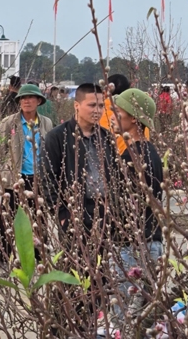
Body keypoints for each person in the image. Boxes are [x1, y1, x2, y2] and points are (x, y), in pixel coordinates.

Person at [40, 83, 122, 331]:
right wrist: (62, 214)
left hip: (103, 214)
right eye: (92, 105)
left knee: (100, 275)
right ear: (77, 105)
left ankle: (89, 325)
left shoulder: (106, 137)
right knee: (71, 272)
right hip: (75, 214)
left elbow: (115, 175)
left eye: (100, 105)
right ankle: (58, 326)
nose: (97, 110)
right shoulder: (58, 137)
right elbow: (47, 178)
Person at [107, 88, 163, 328]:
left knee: (126, 319)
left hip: (133, 244)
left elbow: (124, 203)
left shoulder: (136, 156)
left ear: (133, 118)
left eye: (117, 112)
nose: (111, 116)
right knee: (141, 317)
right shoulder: (146, 151)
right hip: (145, 240)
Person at [0, 84, 54, 264]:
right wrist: (5, 169)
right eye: (22, 98)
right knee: (8, 218)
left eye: (30, 97)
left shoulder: (46, 123)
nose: (26, 101)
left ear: (38, 101)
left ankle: (38, 257)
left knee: (39, 217)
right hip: (15, 177)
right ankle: (4, 257)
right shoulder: (9, 122)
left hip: (38, 177)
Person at [100, 74, 150, 154]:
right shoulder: (141, 112)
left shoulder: (99, 112)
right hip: (141, 156)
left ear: (106, 91)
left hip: (114, 162)